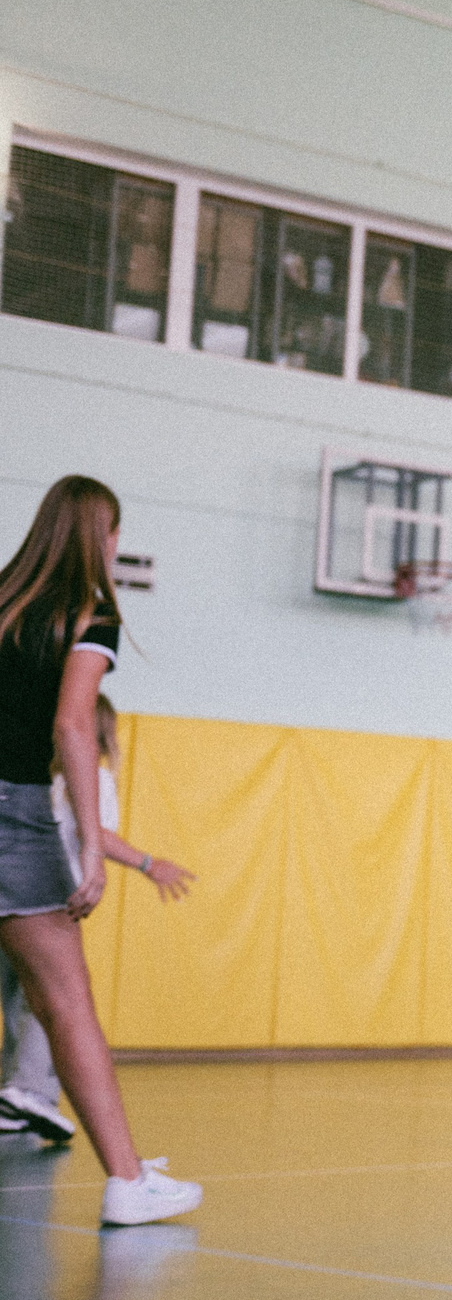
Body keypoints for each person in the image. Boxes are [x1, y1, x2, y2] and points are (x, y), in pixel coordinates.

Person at [0, 475, 200, 1223]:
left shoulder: (3, 598)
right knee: (66, 1001)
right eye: (114, 533)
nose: (116, 546)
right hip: (15, 811)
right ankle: (127, 1180)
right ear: (99, 536)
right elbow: (73, 725)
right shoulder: (90, 613)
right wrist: (90, 848)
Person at [1, 695, 196, 1145]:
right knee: (51, 997)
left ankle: (14, 1093)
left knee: (18, 996)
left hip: (11, 900)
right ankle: (28, 1091)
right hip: (51, 900)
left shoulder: (37, 780)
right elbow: (97, 834)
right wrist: (148, 863)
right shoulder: (91, 776)